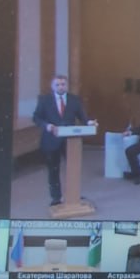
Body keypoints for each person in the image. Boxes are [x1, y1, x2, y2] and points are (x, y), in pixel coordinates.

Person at [32, 74, 91, 206]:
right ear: (52, 86)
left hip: (70, 141)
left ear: (67, 85)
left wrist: (90, 123)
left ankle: (73, 194)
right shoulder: (45, 100)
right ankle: (56, 197)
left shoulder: (74, 99)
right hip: (51, 139)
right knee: (53, 169)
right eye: (57, 85)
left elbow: (83, 117)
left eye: (63, 84)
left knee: (73, 168)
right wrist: (47, 126)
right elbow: (36, 117)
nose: (60, 87)